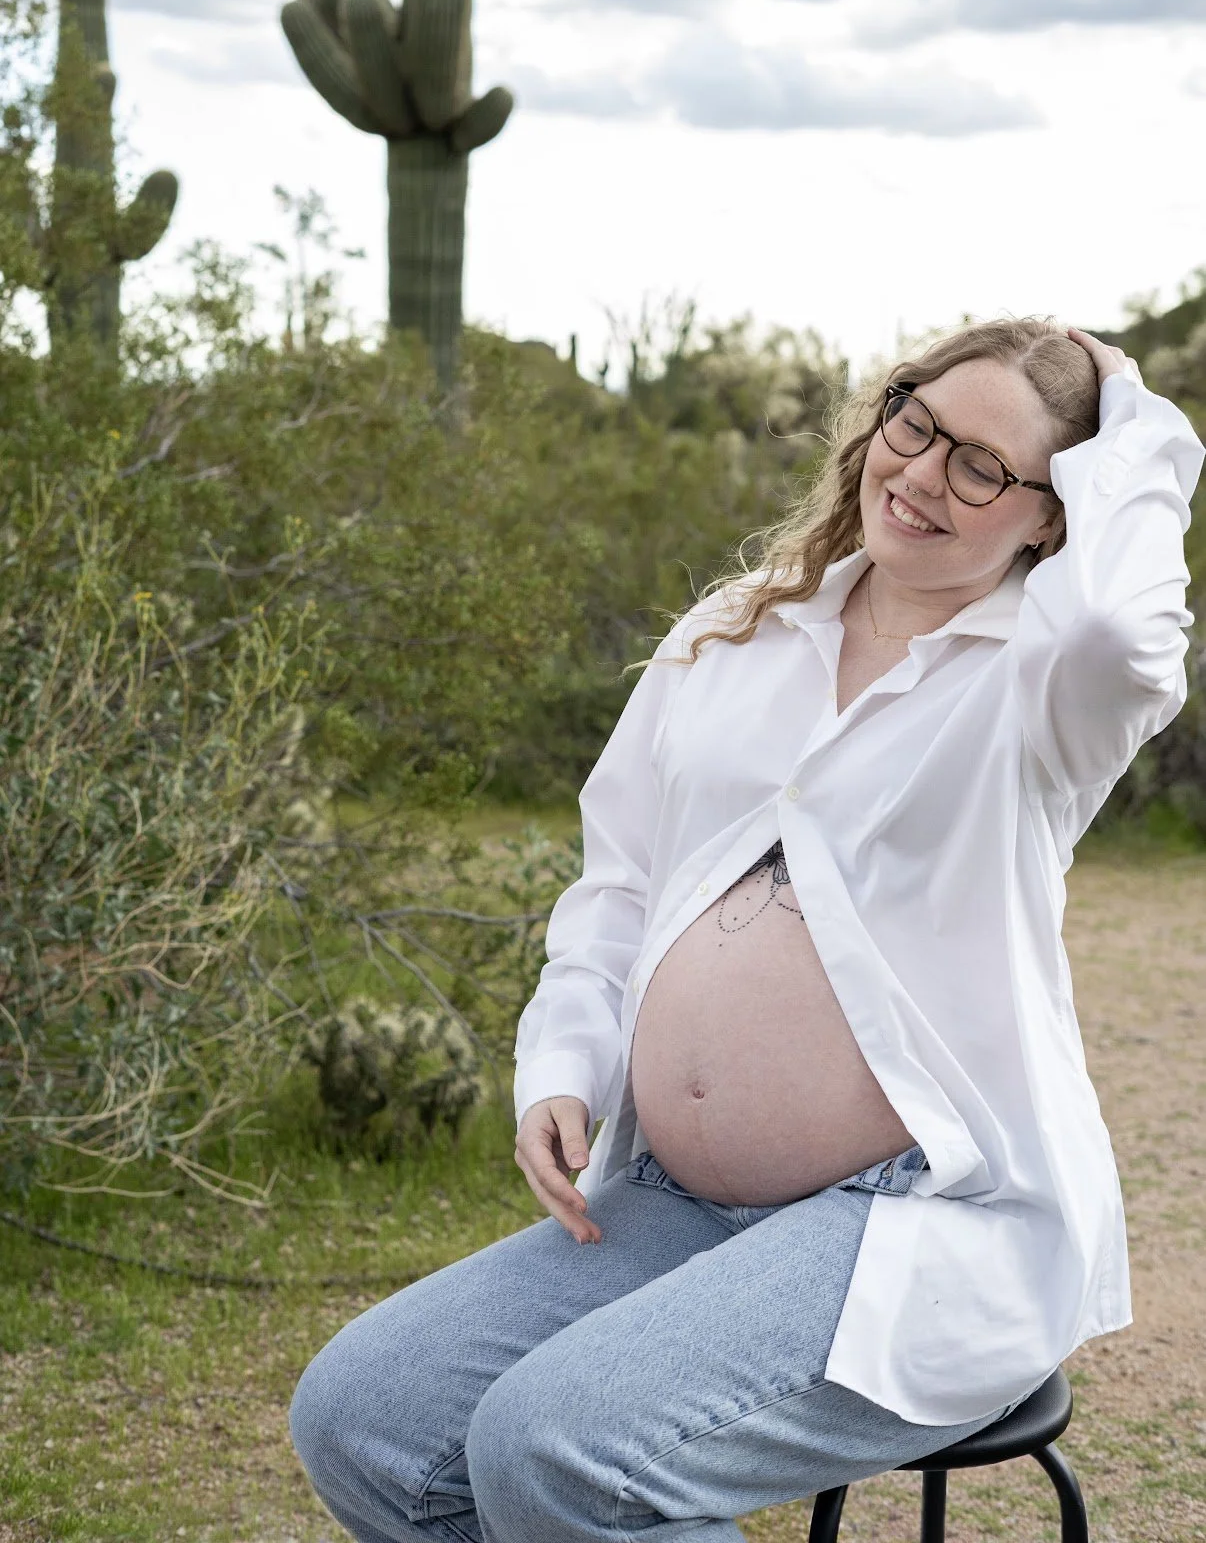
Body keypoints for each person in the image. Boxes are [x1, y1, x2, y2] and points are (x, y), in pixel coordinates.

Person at [289, 316, 1204, 1543]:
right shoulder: (739, 628)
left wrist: (1130, 413)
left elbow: (1116, 625)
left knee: (555, 1447)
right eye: (915, 423)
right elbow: (616, 878)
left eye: (984, 466)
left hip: (924, 1219)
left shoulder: (1044, 685)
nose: (925, 473)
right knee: (364, 1415)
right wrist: (562, 1062)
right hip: (680, 1198)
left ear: (1054, 513)